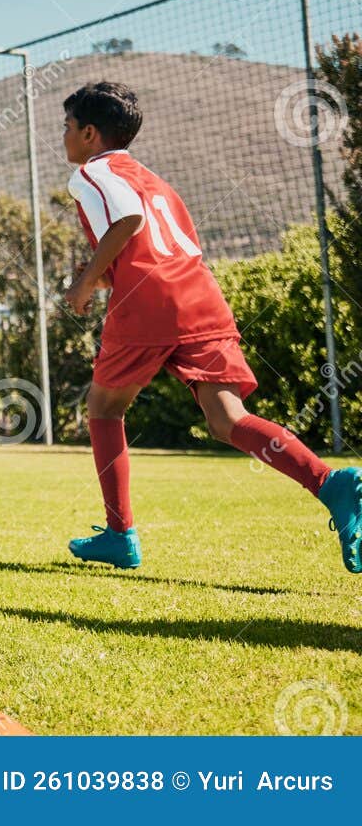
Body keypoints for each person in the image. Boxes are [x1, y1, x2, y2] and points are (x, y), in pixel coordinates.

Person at [61, 80, 360, 571]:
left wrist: (86, 283)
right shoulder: (152, 177)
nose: (65, 136)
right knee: (227, 420)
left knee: (104, 406)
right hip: (199, 295)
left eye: (68, 127)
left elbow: (128, 220)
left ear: (90, 133)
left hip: (150, 299)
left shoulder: (91, 171)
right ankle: (330, 484)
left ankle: (120, 533)